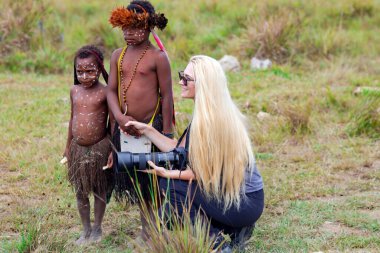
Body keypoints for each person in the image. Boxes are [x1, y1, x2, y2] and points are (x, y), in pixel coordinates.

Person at [125, 55, 264, 251]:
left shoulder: (211, 121)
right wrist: (147, 130)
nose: (181, 82)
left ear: (204, 84)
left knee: (171, 189)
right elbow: (179, 150)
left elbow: (199, 173)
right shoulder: (212, 112)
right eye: (183, 75)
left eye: (187, 78)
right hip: (243, 199)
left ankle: (217, 245)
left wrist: (167, 174)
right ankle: (236, 230)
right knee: (173, 195)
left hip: (243, 201)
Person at [107, 0, 174, 239]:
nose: (128, 33)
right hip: (125, 128)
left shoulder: (158, 58)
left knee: (154, 180)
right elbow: (110, 91)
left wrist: (166, 134)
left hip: (151, 128)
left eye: (134, 28)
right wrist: (119, 117)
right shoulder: (118, 55)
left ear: (148, 27)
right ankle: (148, 230)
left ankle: (158, 229)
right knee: (138, 180)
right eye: (124, 28)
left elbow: (167, 97)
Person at [64, 45, 113, 245]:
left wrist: (111, 149)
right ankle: (85, 229)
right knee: (80, 190)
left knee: (99, 189)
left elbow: (113, 123)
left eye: (90, 71)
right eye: (80, 71)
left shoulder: (106, 92)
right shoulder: (74, 90)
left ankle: (97, 229)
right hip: (77, 148)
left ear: (100, 69)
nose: (84, 76)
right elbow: (71, 118)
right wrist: (68, 147)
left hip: (99, 148)